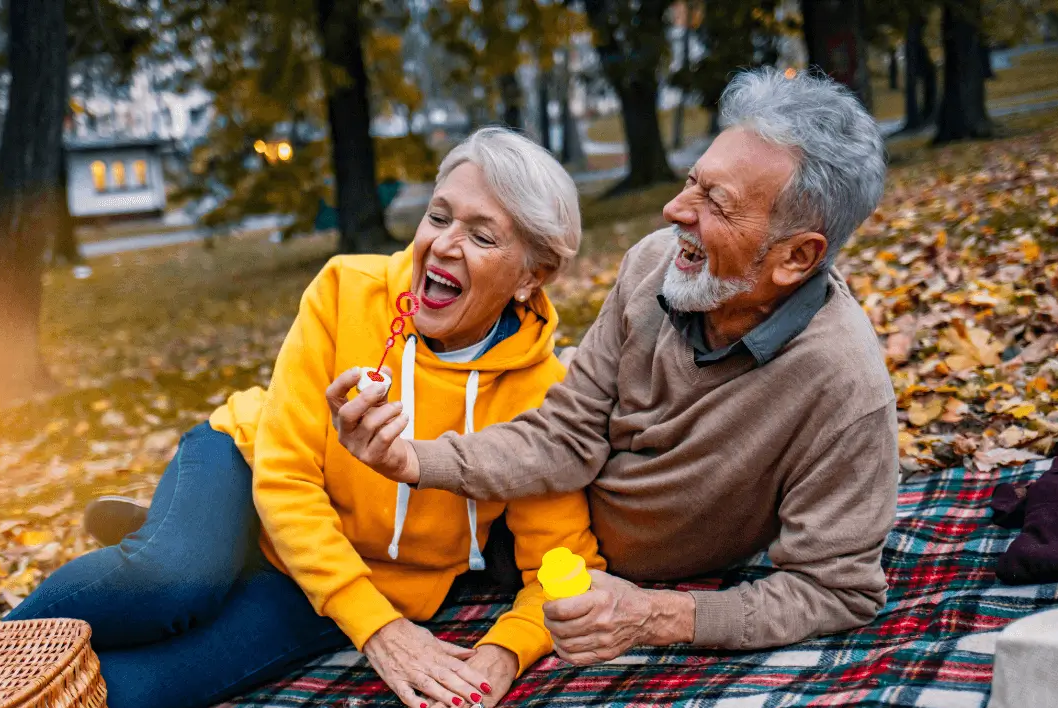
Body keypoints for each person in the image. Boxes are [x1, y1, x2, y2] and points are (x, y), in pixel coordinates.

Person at [7, 128, 604, 708]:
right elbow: (286, 475)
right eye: (438, 216)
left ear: (534, 275)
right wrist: (378, 630)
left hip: (345, 570)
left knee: (131, 697)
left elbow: (562, 566)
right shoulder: (346, 290)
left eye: (481, 236)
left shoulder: (543, 394)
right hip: (247, 464)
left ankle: (220, 555)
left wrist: (502, 653)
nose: (443, 246)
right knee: (174, 581)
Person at [329, 68, 898, 663]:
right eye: (691, 182)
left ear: (797, 256)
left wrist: (658, 616)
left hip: (541, 561)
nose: (675, 209)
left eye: (716, 203)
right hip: (498, 522)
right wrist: (411, 458)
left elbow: (837, 589)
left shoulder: (843, 387)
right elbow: (566, 436)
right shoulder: (655, 266)